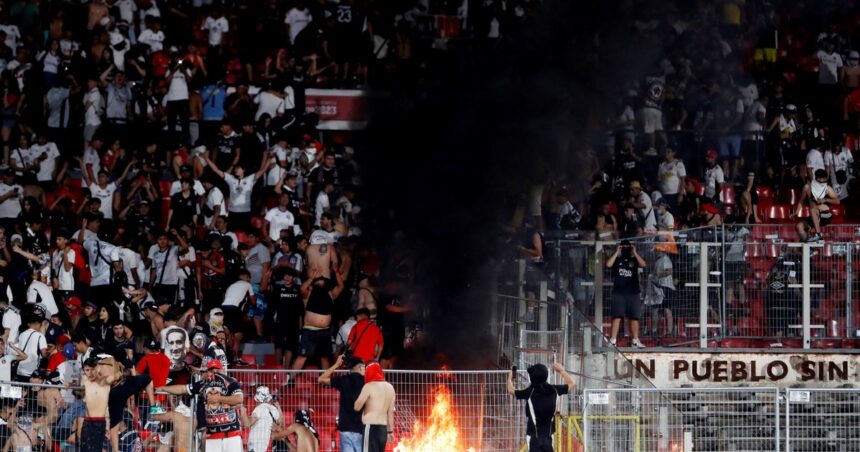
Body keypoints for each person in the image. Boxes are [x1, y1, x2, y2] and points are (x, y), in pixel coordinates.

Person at [160, 359, 244, 452]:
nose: (215, 372)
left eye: (217, 369)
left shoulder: (230, 381)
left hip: (231, 434)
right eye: (212, 370)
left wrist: (219, 399)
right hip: (212, 435)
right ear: (208, 372)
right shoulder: (203, 384)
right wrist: (162, 388)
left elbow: (239, 399)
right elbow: (183, 389)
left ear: (222, 370)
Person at [506, 362, 575, 452]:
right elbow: (572, 383)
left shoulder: (529, 392)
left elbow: (511, 390)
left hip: (534, 438)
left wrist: (510, 378)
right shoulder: (554, 390)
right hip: (548, 437)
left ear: (532, 378)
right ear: (546, 376)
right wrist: (561, 370)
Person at [319, 354, 365, 452]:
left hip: (345, 428)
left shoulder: (343, 379)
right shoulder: (366, 382)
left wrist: (336, 365)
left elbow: (321, 379)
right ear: (361, 367)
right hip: (360, 428)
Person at [605, 240, 646, 348]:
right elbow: (608, 264)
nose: (626, 249)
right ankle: (613, 340)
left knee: (634, 317)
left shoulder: (634, 260)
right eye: (624, 247)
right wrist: (617, 251)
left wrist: (635, 252)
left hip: (633, 292)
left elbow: (644, 264)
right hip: (619, 293)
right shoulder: (617, 260)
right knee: (617, 316)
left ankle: (635, 340)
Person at [353, 362, 395, 452]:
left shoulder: (368, 386)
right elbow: (390, 412)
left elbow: (357, 407)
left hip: (370, 428)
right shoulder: (390, 387)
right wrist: (390, 431)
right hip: (383, 430)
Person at [795, 169, 839, 242]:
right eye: (822, 179)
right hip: (814, 216)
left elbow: (837, 201)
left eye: (825, 179)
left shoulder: (827, 188)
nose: (823, 180)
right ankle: (810, 247)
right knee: (799, 226)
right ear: (817, 178)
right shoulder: (807, 188)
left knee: (813, 209)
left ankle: (818, 235)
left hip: (825, 215)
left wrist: (825, 200)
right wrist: (796, 212)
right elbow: (801, 201)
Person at [243, 386, 283, 452]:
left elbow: (247, 424)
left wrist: (243, 411)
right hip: (264, 445)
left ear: (257, 399)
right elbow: (280, 421)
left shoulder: (259, 409)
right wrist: (278, 407)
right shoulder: (273, 409)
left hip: (255, 445)